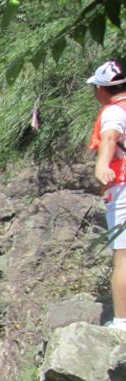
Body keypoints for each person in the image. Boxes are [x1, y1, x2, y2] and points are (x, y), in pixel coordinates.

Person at [88, 59, 126, 331]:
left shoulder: (114, 112)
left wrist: (102, 165)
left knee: (123, 255)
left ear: (102, 90)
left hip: (124, 186)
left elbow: (111, 137)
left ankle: (122, 322)